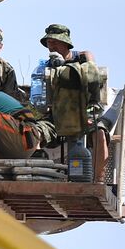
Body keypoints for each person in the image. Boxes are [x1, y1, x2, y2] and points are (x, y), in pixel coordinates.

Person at [36, 24, 108, 183]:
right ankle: (36, 176)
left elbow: (93, 75)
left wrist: (69, 68)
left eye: (55, 41)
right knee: (33, 133)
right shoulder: (46, 65)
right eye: (49, 42)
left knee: (99, 133)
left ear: (65, 42)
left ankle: (98, 180)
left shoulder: (81, 57)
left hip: (84, 112)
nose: (51, 46)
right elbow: (41, 96)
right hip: (57, 115)